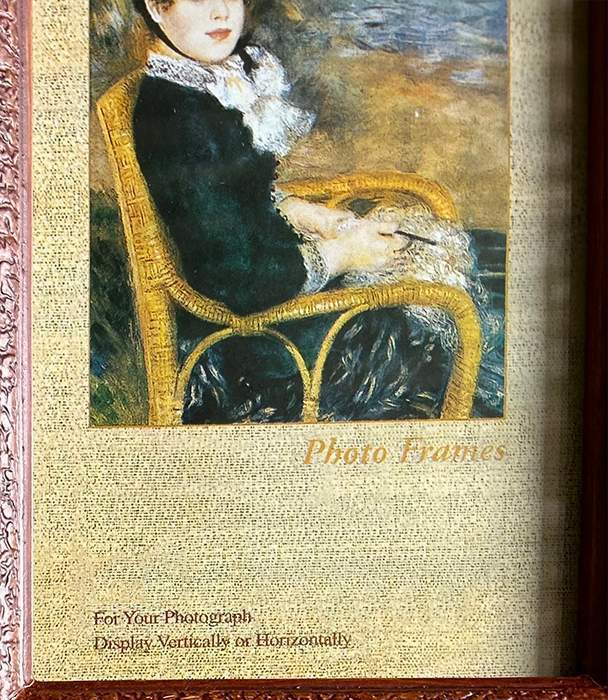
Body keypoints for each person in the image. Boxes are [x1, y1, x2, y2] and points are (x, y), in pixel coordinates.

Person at [129, 0, 506, 422]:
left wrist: (315, 216)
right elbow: (235, 279)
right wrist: (344, 254)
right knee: (428, 326)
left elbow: (236, 199)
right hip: (262, 352)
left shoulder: (207, 87)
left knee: (435, 249)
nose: (220, 13)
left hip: (278, 307)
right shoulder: (174, 116)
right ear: (157, 7)